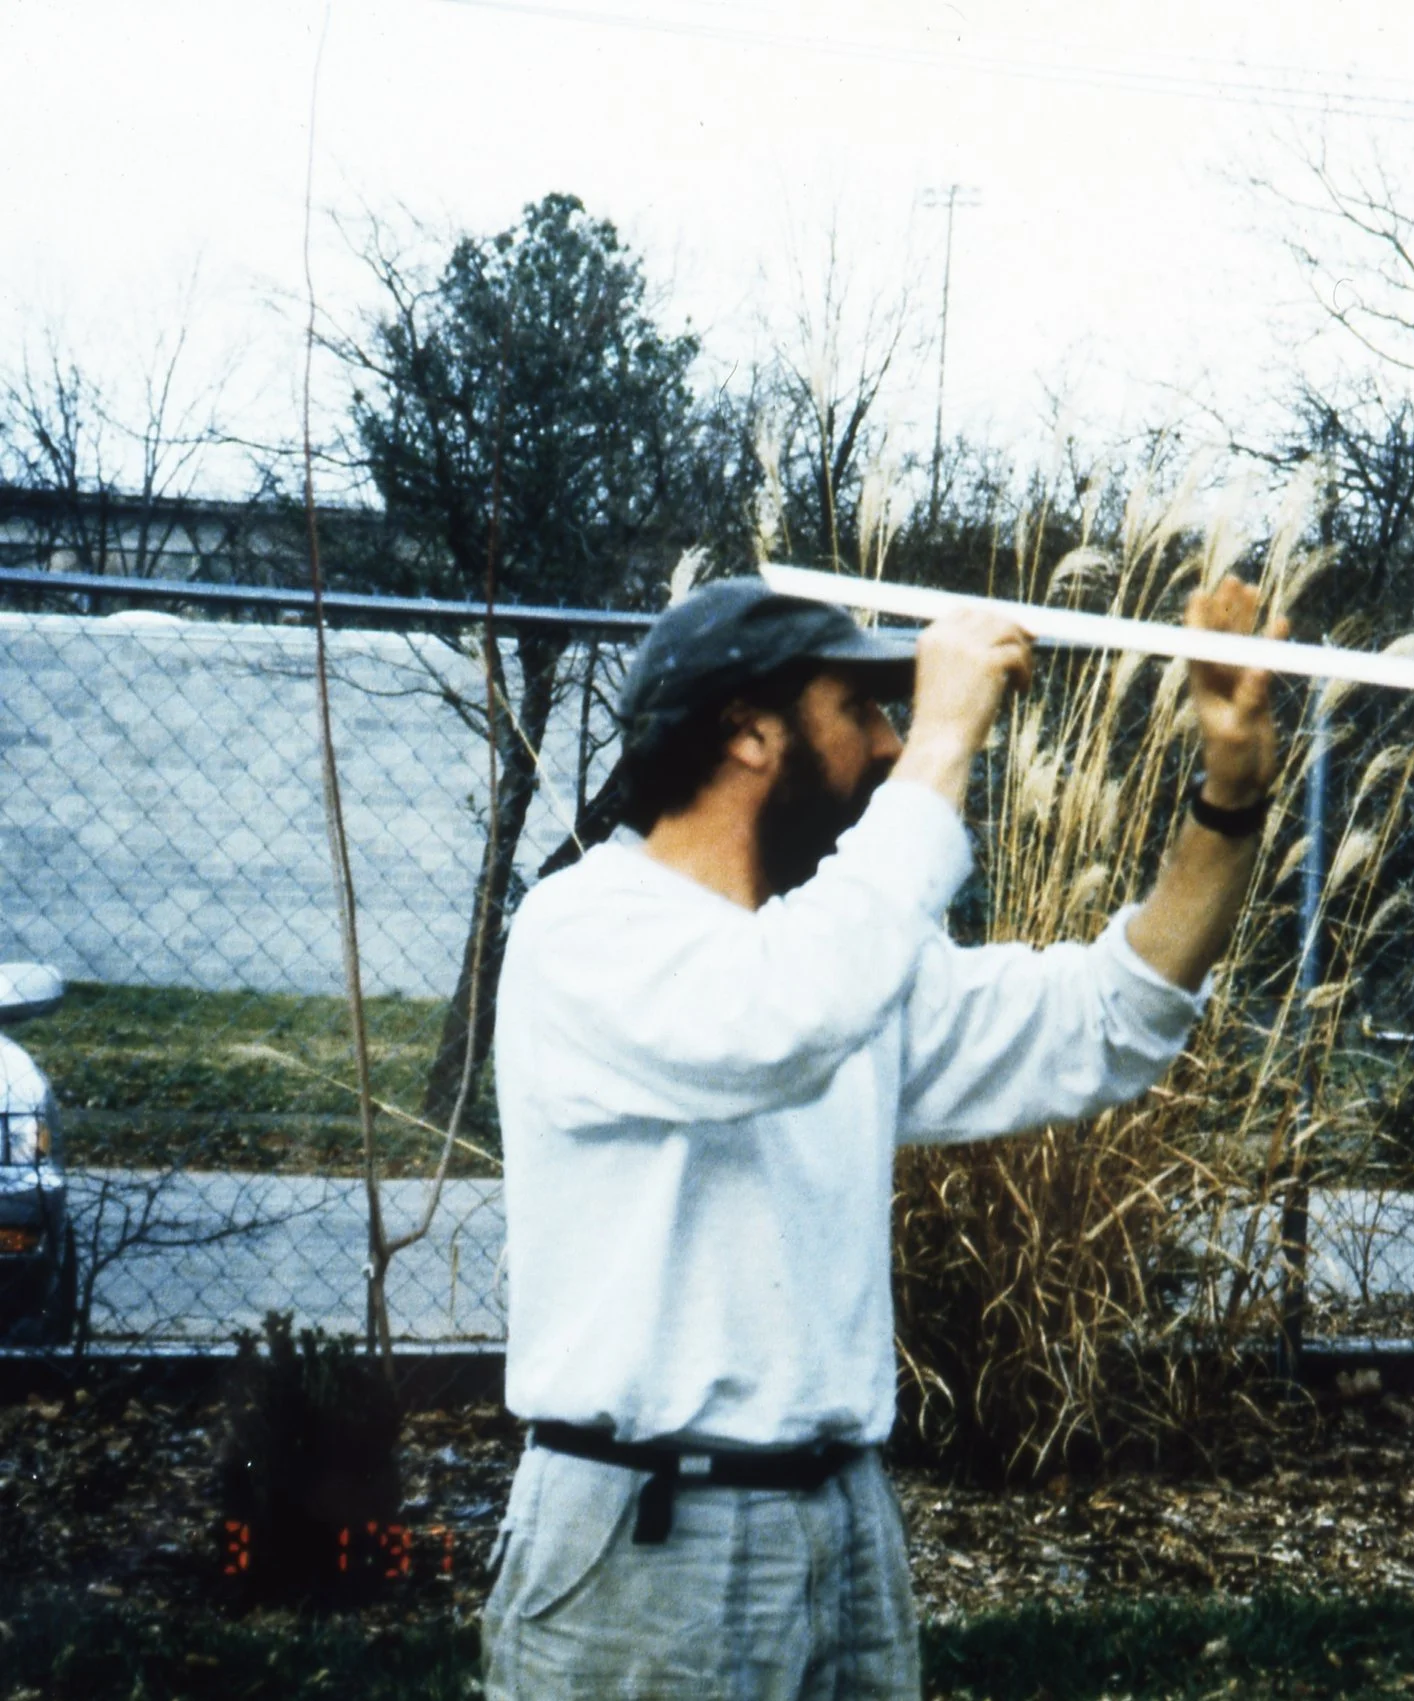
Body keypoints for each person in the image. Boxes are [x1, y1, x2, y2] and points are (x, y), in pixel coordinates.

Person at [482, 574, 1284, 1698]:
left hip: (845, 1522)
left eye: (901, 714)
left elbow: (1112, 1021)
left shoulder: (842, 962)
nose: (891, 740)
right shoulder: (585, 932)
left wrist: (1231, 794)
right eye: (861, 709)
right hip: (646, 1539)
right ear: (749, 732)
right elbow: (781, 1018)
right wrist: (949, 735)